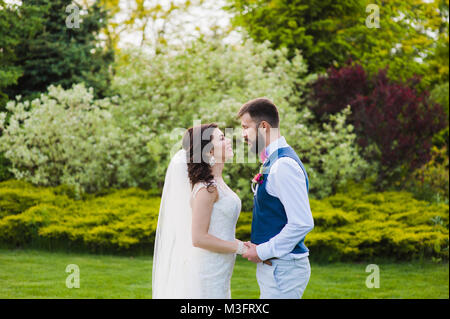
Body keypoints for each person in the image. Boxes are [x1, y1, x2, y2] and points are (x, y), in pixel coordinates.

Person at [152, 123, 247, 298]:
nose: (228, 140)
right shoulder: (206, 188)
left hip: (220, 267)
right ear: (209, 152)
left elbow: (218, 229)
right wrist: (241, 248)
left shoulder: (217, 182)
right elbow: (199, 238)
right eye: (221, 138)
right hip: (207, 270)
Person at [237, 97, 315, 299]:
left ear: (263, 127)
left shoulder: (283, 165)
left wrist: (262, 251)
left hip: (284, 268)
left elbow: (302, 223)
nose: (243, 134)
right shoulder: (273, 161)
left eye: (246, 127)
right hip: (277, 266)